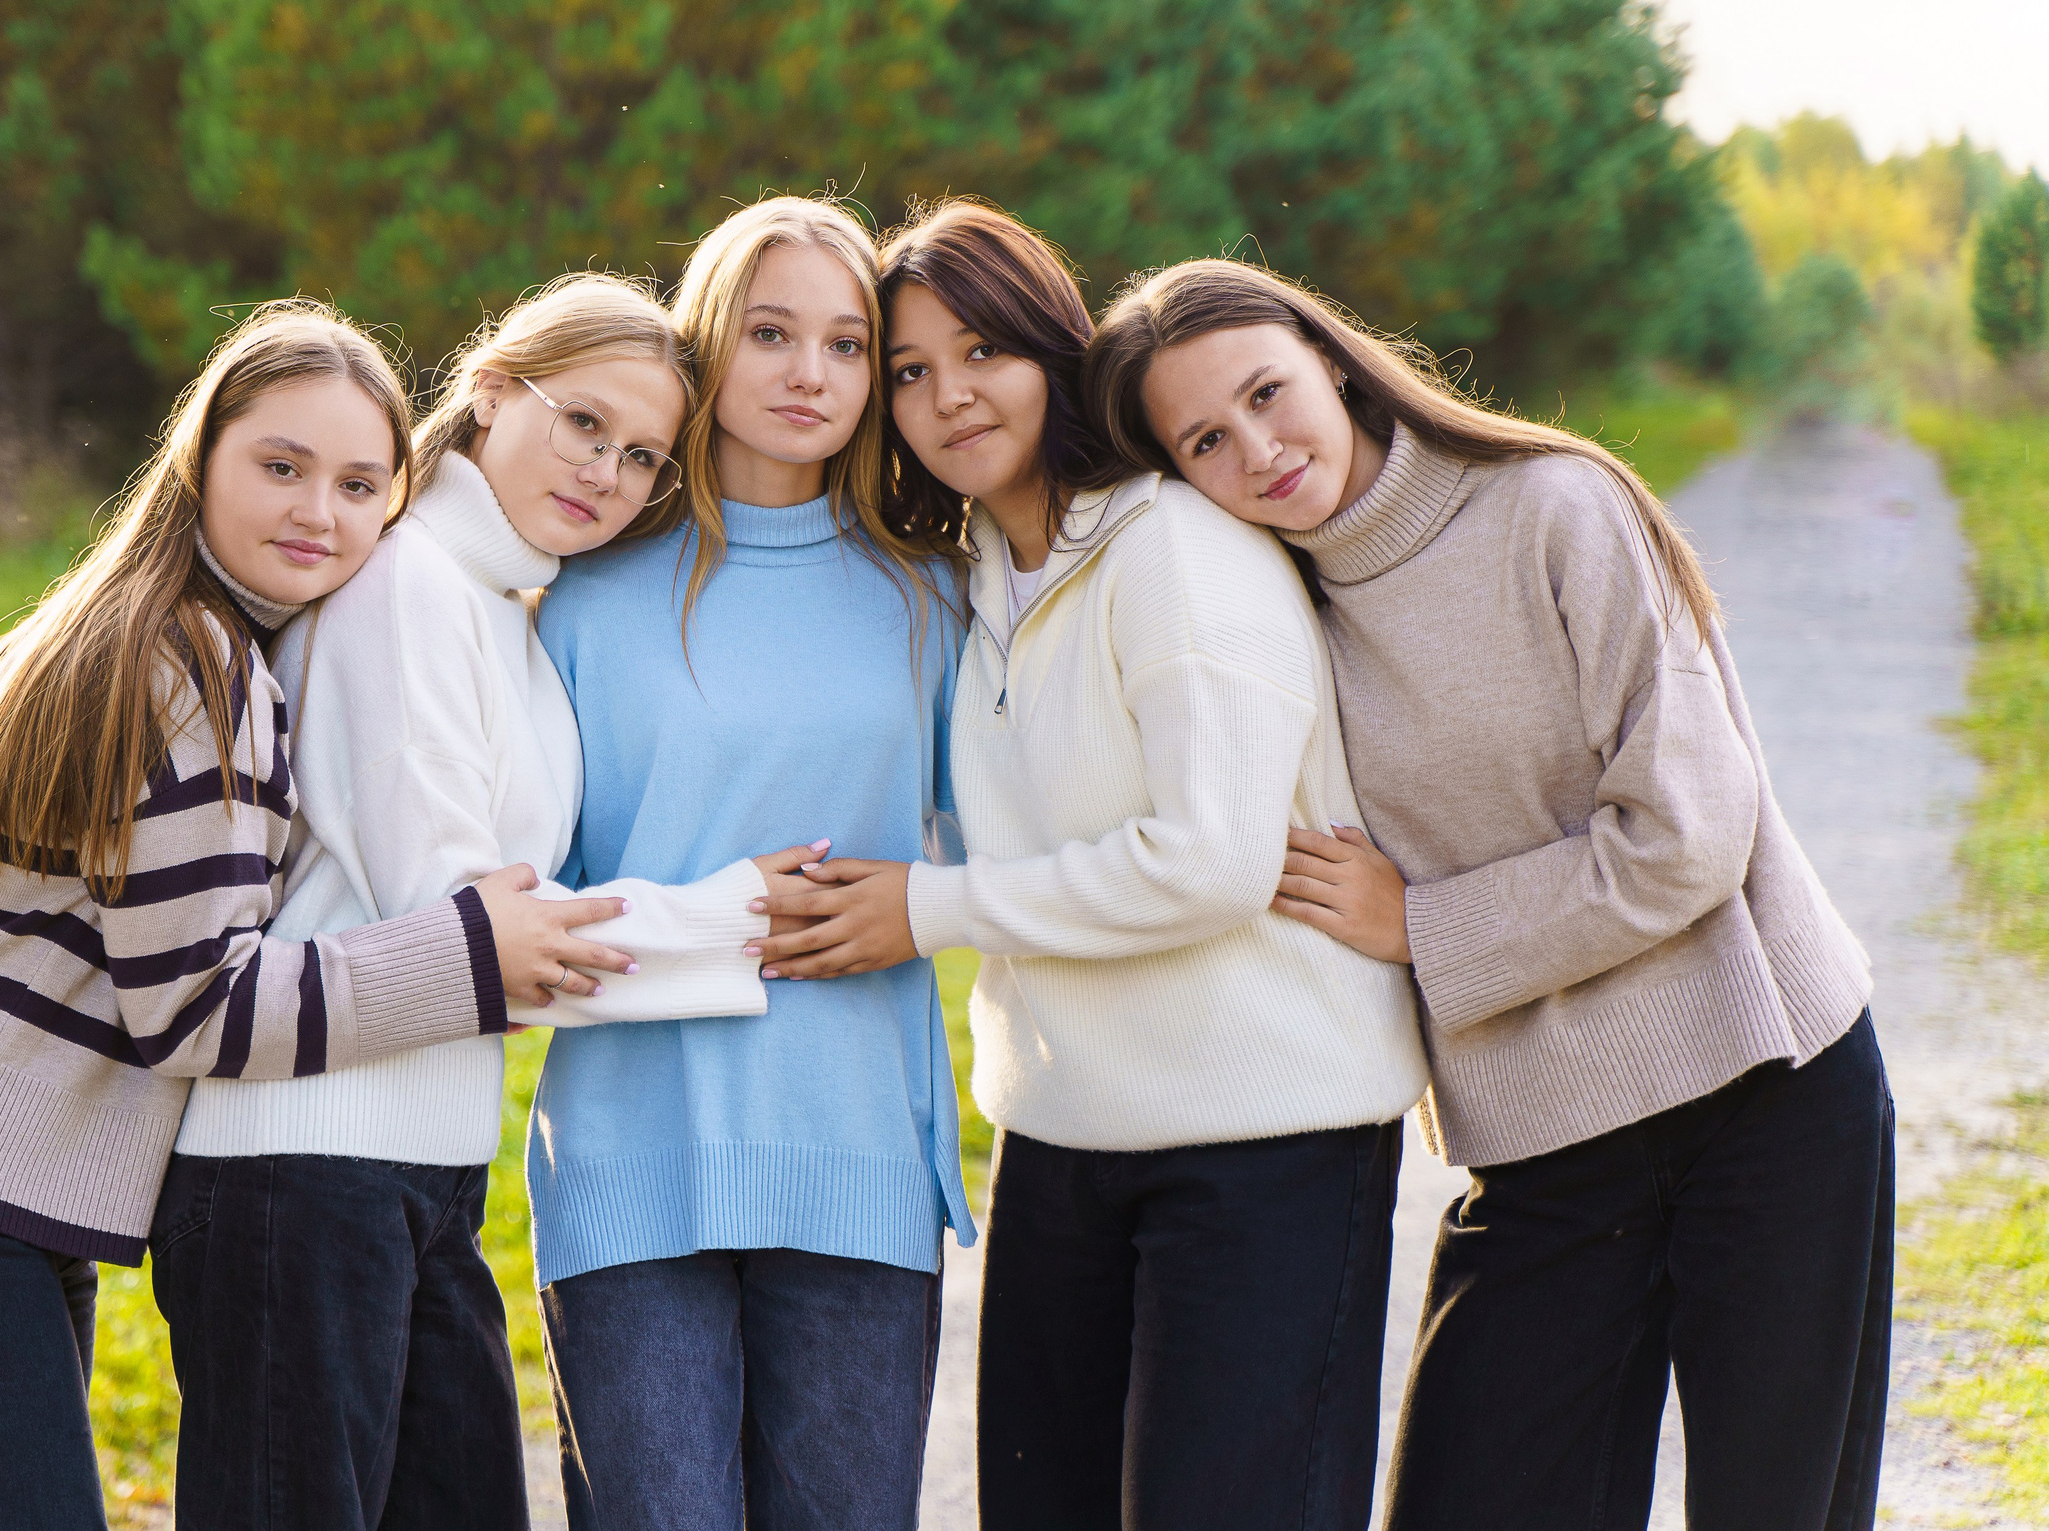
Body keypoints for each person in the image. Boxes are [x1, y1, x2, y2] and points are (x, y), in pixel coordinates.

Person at [0, 300, 631, 1530]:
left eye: (360, 485)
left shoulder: (159, 630)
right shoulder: (185, 667)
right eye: (280, 467)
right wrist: (469, 958)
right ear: (199, 457)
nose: (320, 514)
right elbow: (200, 1007)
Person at [1088, 256, 1890, 1531]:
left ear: (1330, 362)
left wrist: (1422, 925)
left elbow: (1686, 835)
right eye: (1204, 441)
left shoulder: (1554, 505)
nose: (1257, 449)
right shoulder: (1264, 616)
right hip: (1540, 1146)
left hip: (1763, 1091)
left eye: (1266, 393)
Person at [755, 202, 1430, 1531]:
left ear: (1054, 350)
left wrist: (929, 910)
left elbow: (1211, 861)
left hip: (1261, 1140)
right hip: (1062, 1132)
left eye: (984, 351)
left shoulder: (1171, 545)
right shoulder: (966, 579)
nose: (949, 395)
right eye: (909, 369)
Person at [157, 275, 824, 1530]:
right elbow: (466, 930)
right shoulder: (403, 586)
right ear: (490, 391)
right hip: (298, 1168)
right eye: (584, 425)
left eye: (642, 456)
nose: (607, 474)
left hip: (421, 1167)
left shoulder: (503, 610)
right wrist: (735, 917)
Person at [526, 197, 975, 1531]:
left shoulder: (934, 596)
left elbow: (1005, 855)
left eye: (847, 344)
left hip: (857, 1160)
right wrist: (723, 917)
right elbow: (521, 911)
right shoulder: (581, 597)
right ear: (709, 345)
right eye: (771, 333)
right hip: (631, 1161)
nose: (808, 373)